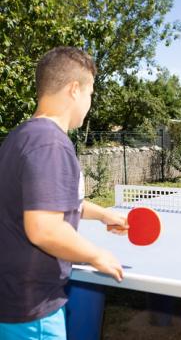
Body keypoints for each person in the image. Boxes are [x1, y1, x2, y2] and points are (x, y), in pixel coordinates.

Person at [0, 47, 128, 339]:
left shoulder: (22, 136)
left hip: (12, 300)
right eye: (90, 93)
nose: (90, 103)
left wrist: (103, 214)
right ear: (74, 90)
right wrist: (97, 255)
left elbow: (44, 202)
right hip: (33, 310)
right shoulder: (51, 144)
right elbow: (45, 229)